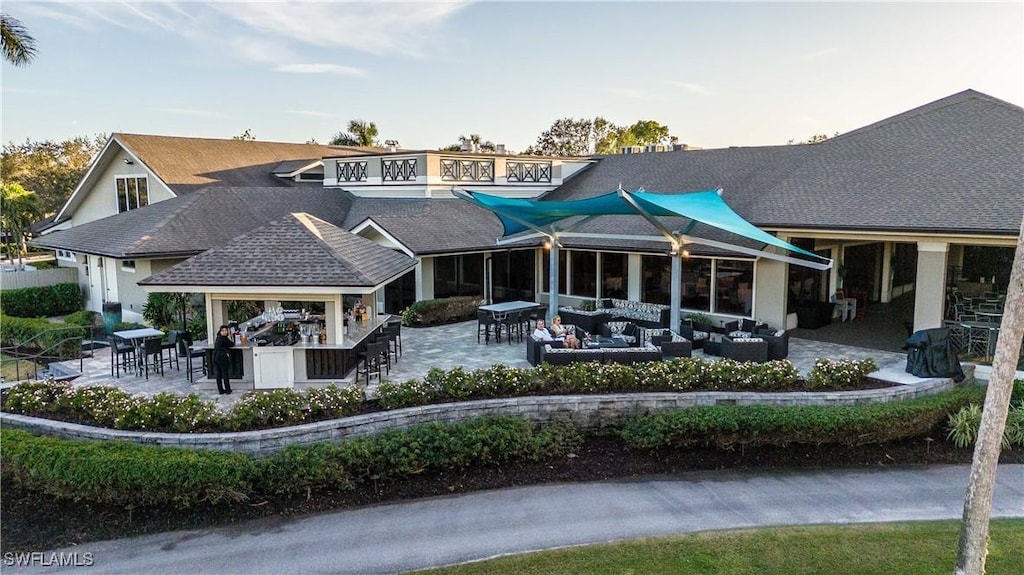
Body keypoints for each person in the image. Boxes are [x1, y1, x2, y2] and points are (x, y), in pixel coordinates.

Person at [212, 324, 234, 395]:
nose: (225, 332)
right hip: (222, 357)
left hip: (215, 357)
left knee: (219, 374)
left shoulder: (218, 337)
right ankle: (228, 390)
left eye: (226, 331)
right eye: (223, 331)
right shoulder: (224, 338)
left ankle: (220, 390)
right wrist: (231, 336)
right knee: (225, 374)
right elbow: (231, 344)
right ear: (220, 331)